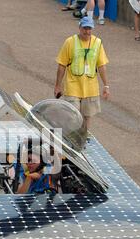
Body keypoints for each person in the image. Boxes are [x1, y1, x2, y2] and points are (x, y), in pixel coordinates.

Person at [54, 16, 110, 145]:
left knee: (87, 116)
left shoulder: (97, 43)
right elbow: (62, 65)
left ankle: (81, 140)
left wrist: (106, 86)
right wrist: (57, 86)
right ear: (80, 28)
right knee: (73, 116)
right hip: (72, 86)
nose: (87, 31)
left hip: (90, 88)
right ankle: (70, 140)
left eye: (89, 28)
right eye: (85, 28)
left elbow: (101, 66)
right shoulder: (70, 42)